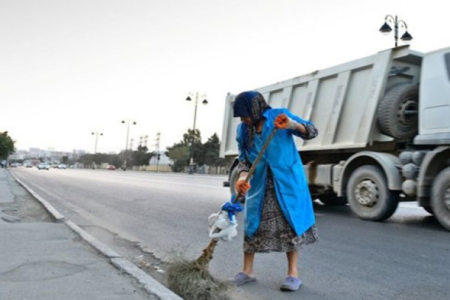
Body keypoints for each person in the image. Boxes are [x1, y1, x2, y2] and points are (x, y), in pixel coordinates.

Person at [231, 90, 319, 292]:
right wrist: (243, 178)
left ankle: (292, 275)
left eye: (245, 114)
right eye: (240, 116)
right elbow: (244, 159)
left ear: (256, 109)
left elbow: (312, 131)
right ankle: (247, 271)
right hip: (261, 184)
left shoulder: (280, 115)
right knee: (252, 226)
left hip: (286, 182)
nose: (243, 119)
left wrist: (292, 125)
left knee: (290, 227)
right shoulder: (242, 130)